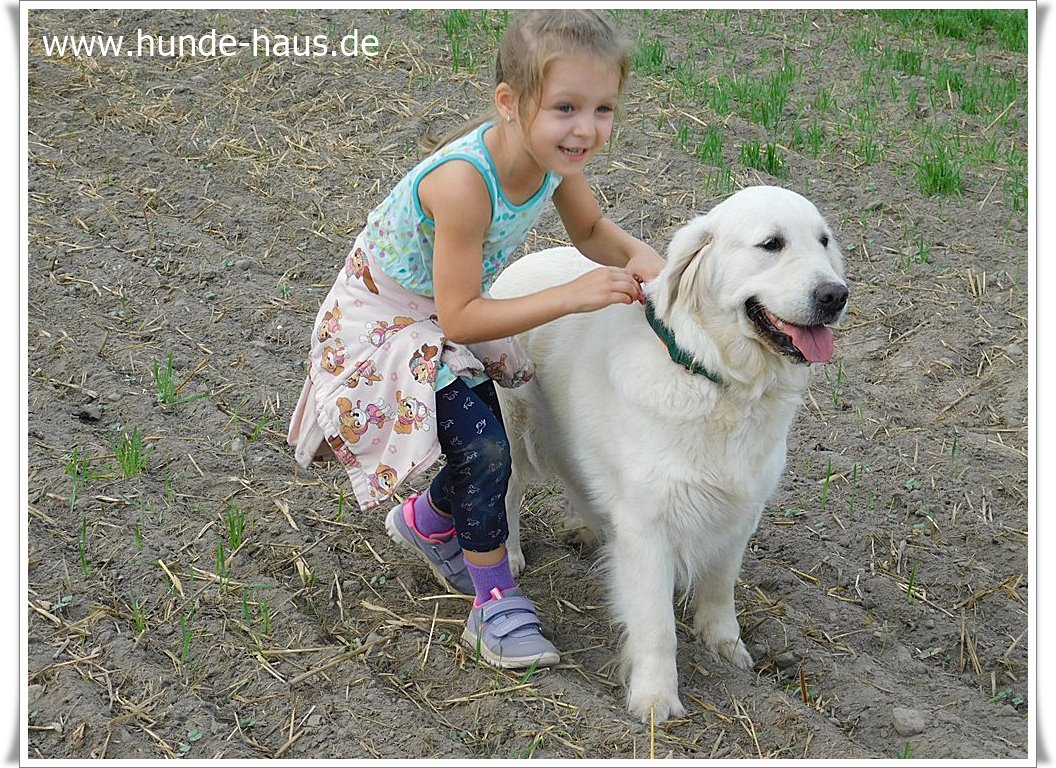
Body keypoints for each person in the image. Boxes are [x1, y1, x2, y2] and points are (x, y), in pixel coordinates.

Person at [288, 9, 665, 670]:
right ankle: (493, 607)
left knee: (482, 447)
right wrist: (572, 293)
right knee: (488, 446)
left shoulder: (554, 160)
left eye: (603, 108)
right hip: (385, 323)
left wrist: (657, 267)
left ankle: (429, 522)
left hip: (442, 308)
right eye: (566, 107)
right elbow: (462, 319)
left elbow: (591, 232)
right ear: (510, 103)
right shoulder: (464, 184)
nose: (586, 128)